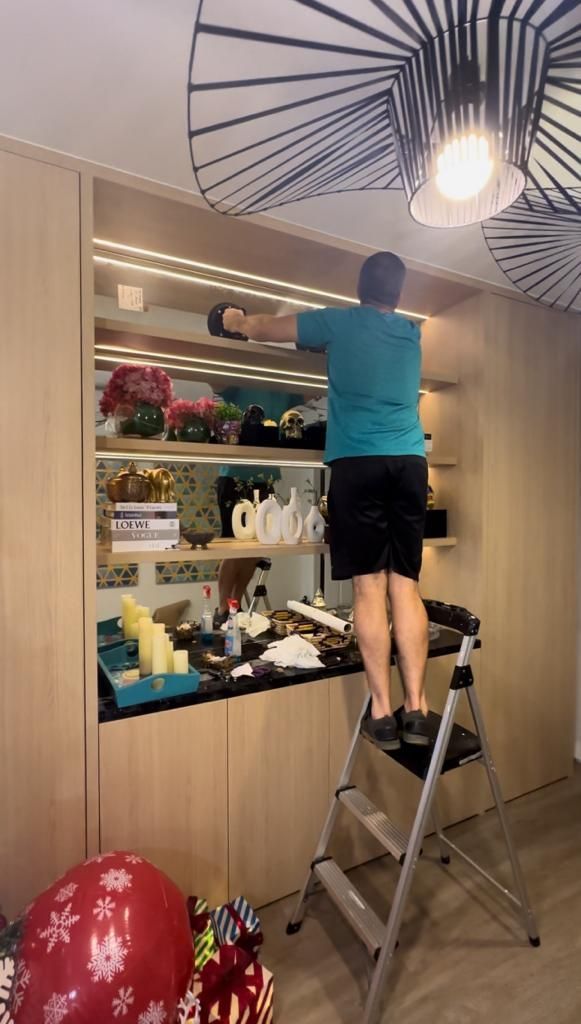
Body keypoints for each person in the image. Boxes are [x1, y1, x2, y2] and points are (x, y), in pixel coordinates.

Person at [222, 252, 429, 750]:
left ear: (359, 289)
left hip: (359, 462)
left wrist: (234, 320)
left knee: (368, 590)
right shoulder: (411, 333)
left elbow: (270, 327)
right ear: (398, 294)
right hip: (409, 462)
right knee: (405, 587)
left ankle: (382, 712)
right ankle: (417, 709)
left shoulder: (340, 321)